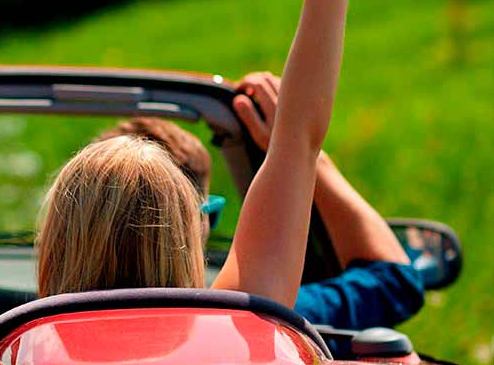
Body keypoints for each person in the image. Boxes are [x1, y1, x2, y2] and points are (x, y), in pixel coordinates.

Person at [38, 0, 393, 309]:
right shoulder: (235, 325)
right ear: (188, 235)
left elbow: (299, 139)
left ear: (53, 248)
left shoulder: (9, 349)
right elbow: (298, 138)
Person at [95, 105, 424, 329]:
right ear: (196, 223)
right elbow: (394, 283)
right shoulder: (249, 318)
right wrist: (309, 155)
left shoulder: (58, 337)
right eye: (211, 214)